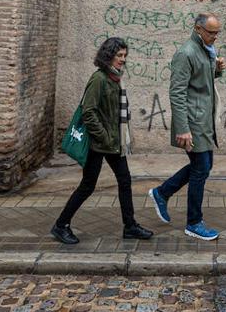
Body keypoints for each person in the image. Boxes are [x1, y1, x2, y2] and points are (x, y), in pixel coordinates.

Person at [50, 37, 154, 245]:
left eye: (125, 56)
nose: (123, 60)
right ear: (108, 56)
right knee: (88, 185)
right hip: (99, 144)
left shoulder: (115, 79)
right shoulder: (99, 79)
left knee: (125, 180)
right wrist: (105, 136)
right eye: (119, 55)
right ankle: (61, 225)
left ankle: (130, 226)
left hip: (112, 143)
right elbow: (88, 112)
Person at [148, 13, 224, 240]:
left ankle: (162, 193)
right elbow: (177, 92)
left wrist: (217, 69)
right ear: (198, 29)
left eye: (217, 32)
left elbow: (203, 82)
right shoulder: (186, 53)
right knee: (201, 168)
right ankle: (193, 222)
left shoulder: (206, 50)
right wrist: (182, 128)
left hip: (205, 120)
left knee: (204, 166)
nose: (215, 37)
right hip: (193, 121)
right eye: (211, 32)